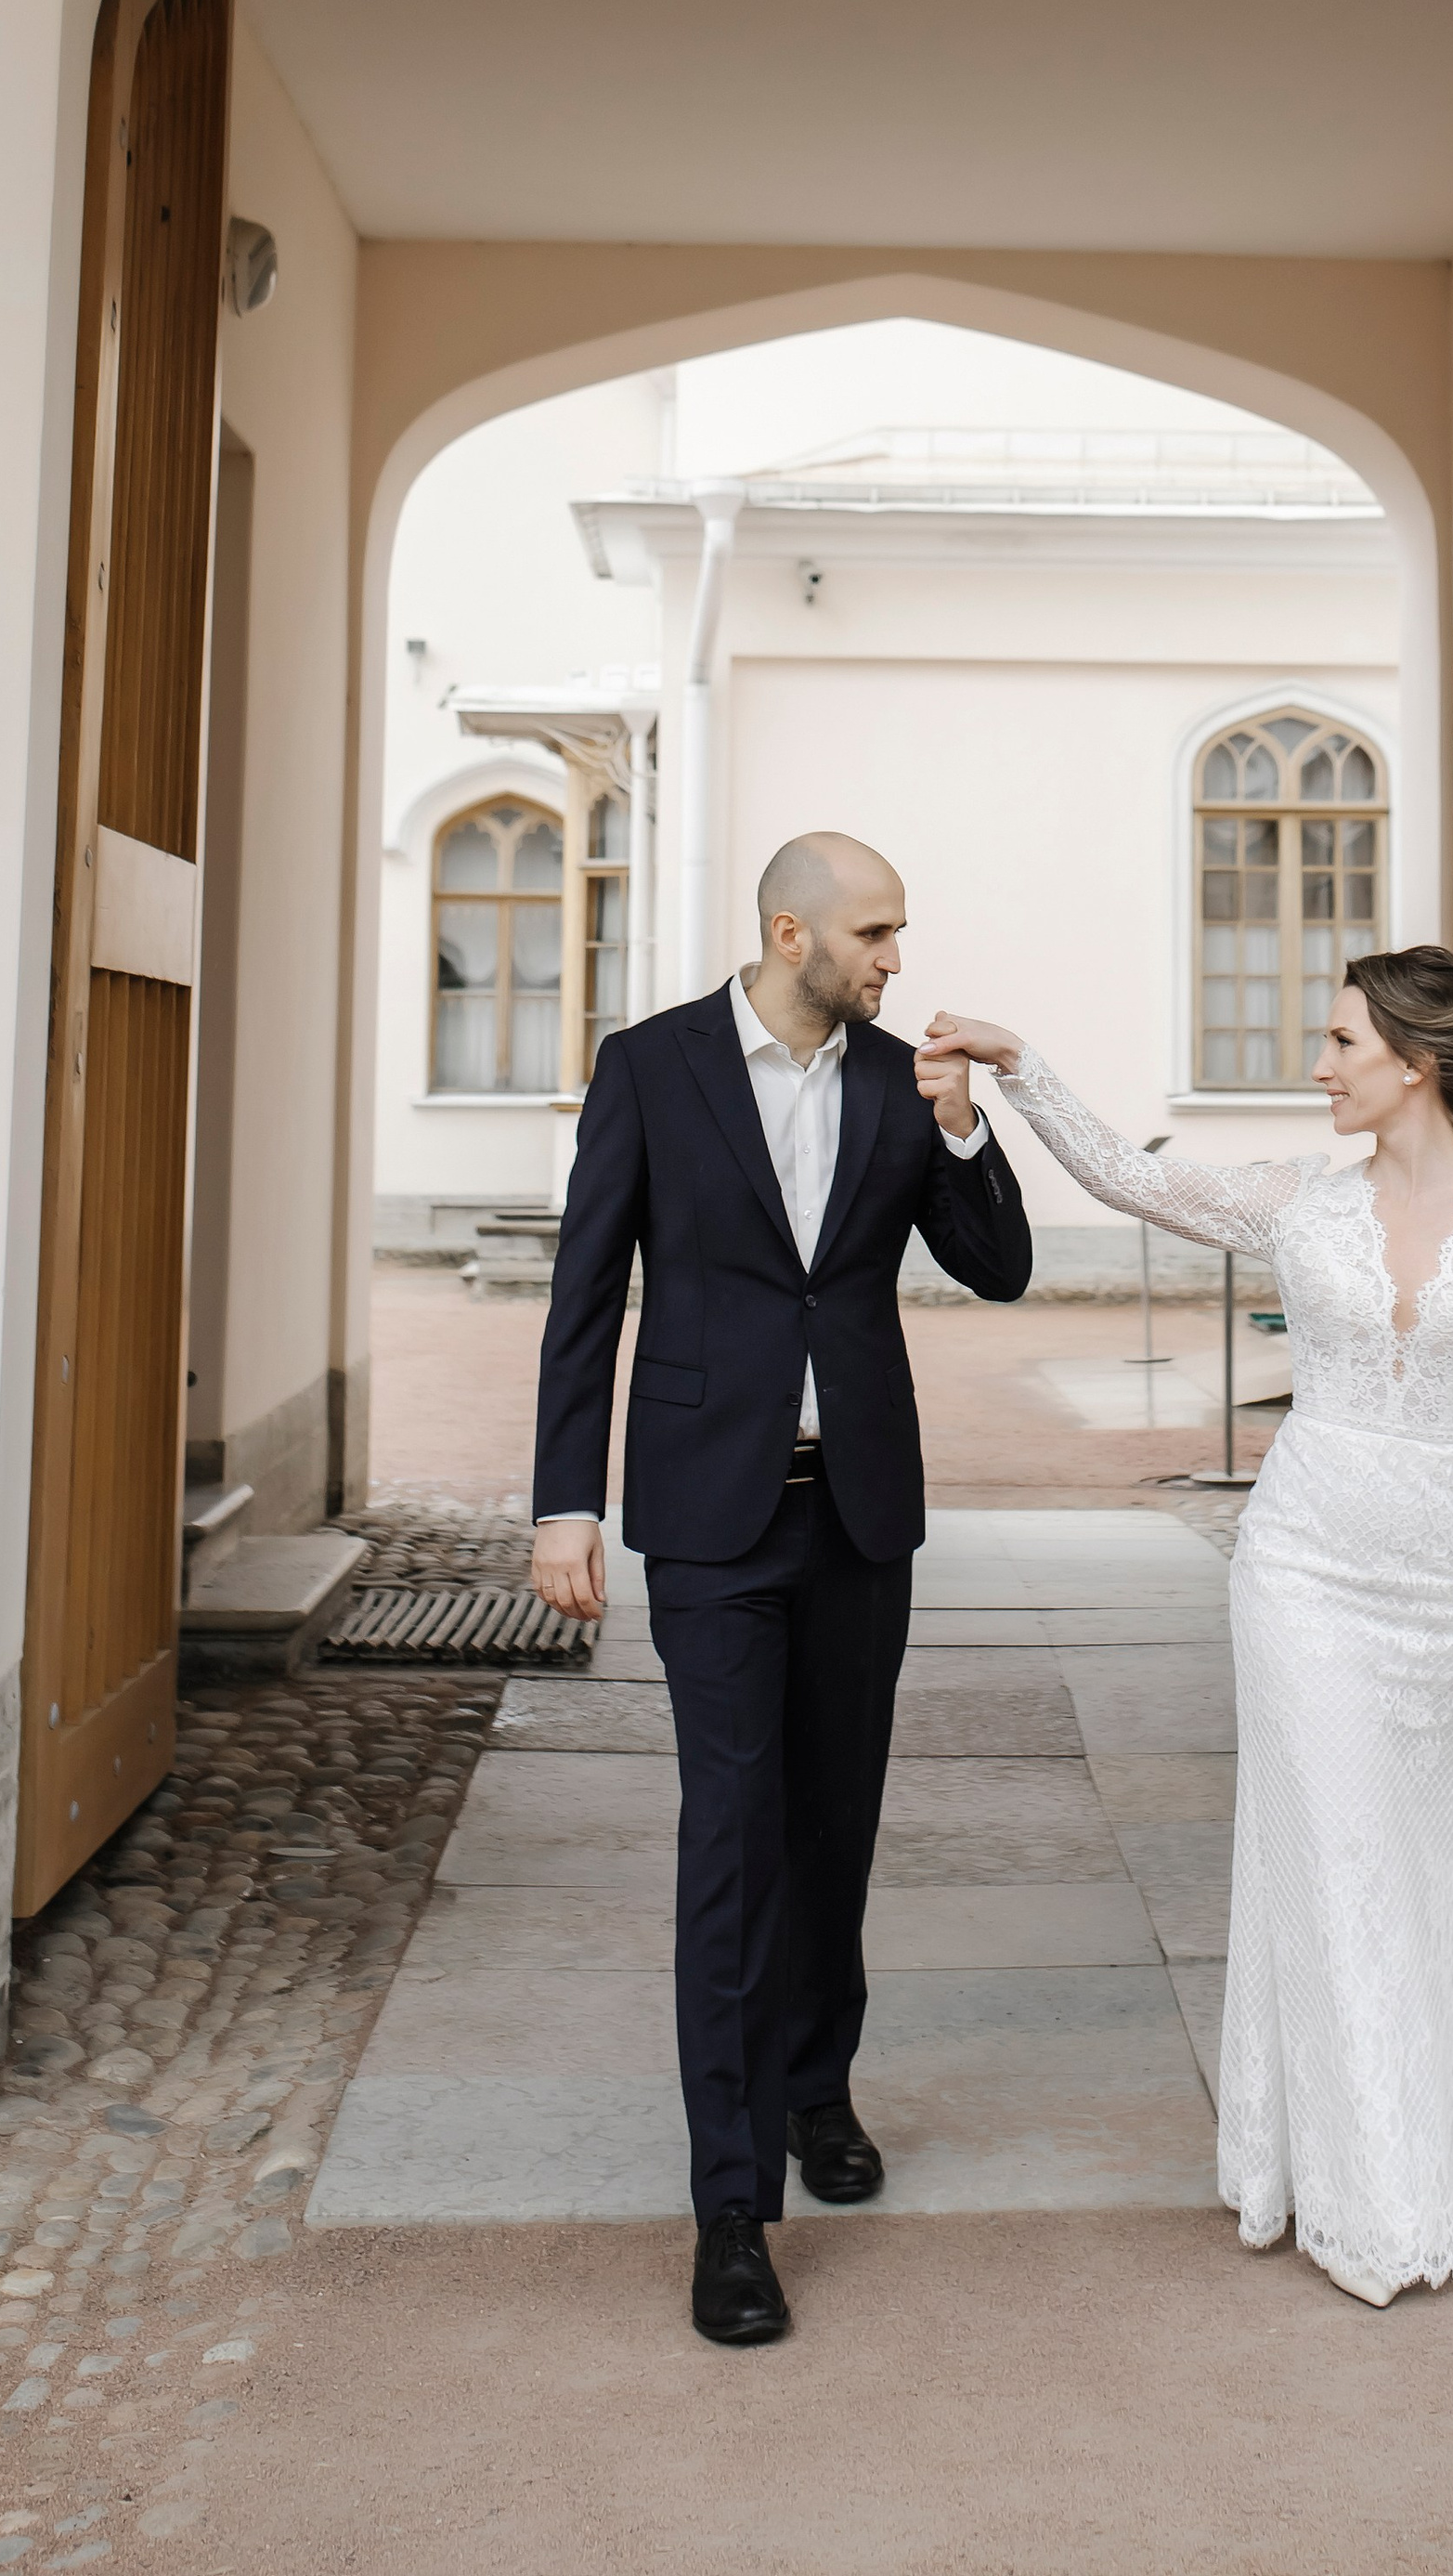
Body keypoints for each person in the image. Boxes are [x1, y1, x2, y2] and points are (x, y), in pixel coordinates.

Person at [926, 944, 1453, 2307]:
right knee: (1338, 1861)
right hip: (1306, 1567)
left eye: (1340, 1042)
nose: (1317, 1065)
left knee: (1422, 1871)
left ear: (1415, 1064)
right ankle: (1373, 2205)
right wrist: (1026, 1072)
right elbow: (1135, 1179)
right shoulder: (1300, 1202)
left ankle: (1435, 2162)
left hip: (1450, 1587)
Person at [531, 833, 1032, 2348]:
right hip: (709, 1515)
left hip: (857, 1514)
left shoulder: (897, 1079)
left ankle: (819, 2086)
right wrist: (567, 1501)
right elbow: (585, 1289)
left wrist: (961, 1130)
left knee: (833, 1825)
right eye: (874, 932)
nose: (893, 958)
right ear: (788, 927)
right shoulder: (654, 1065)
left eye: (899, 932)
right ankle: (733, 2205)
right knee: (735, 1841)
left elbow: (1000, 1267)